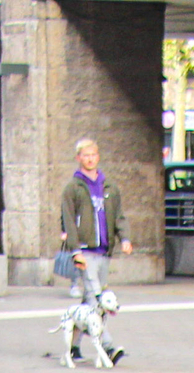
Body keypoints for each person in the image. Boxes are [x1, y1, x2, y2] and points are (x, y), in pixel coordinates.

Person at [56, 137, 131, 361]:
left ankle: (72, 346)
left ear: (98, 157)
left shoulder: (110, 187)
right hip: (85, 251)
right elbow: (68, 219)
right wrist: (75, 250)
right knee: (95, 299)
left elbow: (118, 216)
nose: (90, 159)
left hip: (104, 251)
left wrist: (124, 238)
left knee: (89, 300)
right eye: (85, 155)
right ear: (79, 158)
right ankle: (108, 347)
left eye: (93, 155)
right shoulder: (73, 187)